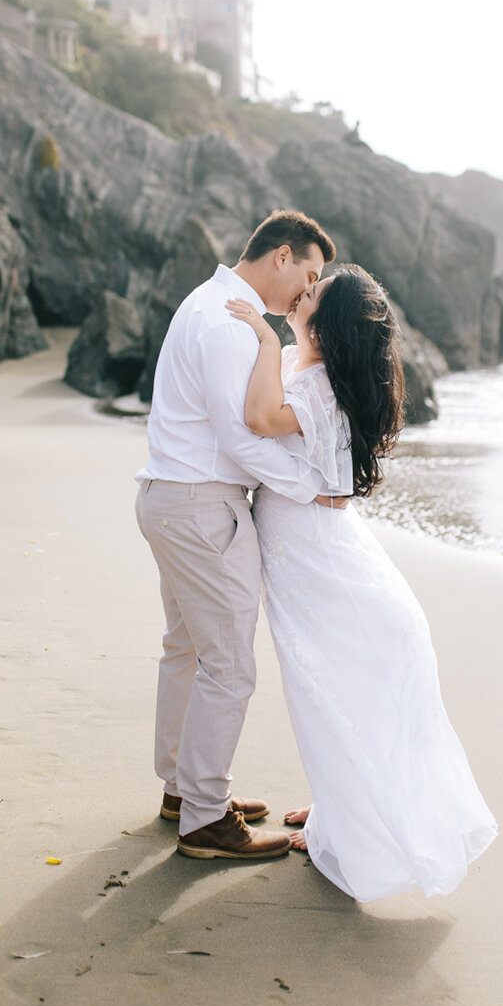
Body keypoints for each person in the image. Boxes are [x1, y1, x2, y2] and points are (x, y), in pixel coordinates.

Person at [224, 263, 497, 900]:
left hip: (321, 568)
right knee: (322, 690)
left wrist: (266, 339)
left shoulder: (314, 382)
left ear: (327, 324)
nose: (300, 294)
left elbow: (262, 419)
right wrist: (278, 346)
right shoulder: (311, 369)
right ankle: (336, 807)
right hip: (317, 559)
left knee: (325, 691)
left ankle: (347, 829)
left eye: (312, 294)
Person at [134, 210, 335, 861]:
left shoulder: (208, 304)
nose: (306, 295)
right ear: (280, 256)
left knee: (188, 649)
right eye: (306, 276)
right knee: (229, 665)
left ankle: (183, 788)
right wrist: (313, 486)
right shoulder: (227, 323)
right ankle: (205, 818)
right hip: (201, 506)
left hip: (172, 497)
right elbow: (243, 439)